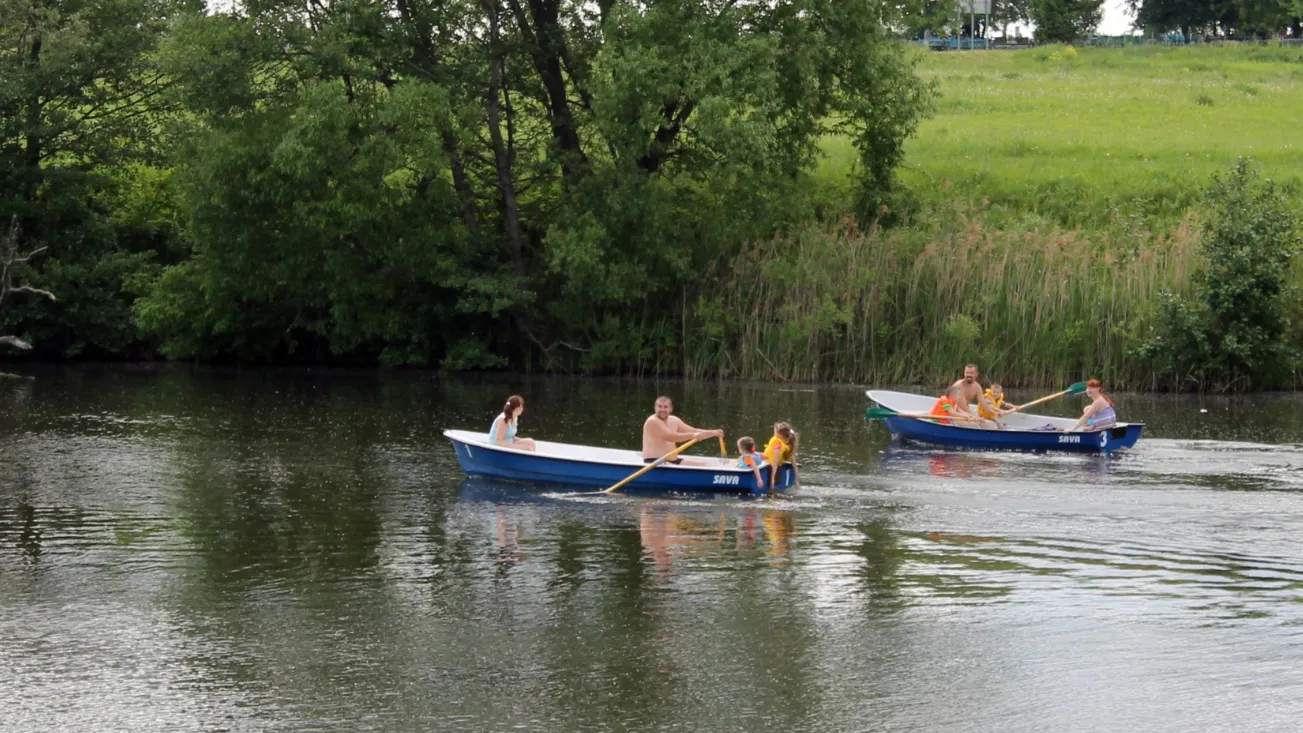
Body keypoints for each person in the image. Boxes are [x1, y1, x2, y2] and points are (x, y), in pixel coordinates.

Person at [641, 395, 723, 466]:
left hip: (673, 461)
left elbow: (694, 431)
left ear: (671, 409)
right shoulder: (653, 421)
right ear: (655, 408)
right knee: (671, 467)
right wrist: (692, 436)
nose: (662, 409)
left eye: (665, 407)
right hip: (654, 462)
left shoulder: (674, 420)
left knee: (705, 465)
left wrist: (714, 433)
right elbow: (671, 437)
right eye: (659, 406)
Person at [763, 422, 800, 490]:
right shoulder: (788, 447)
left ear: (779, 434)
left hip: (770, 467)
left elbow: (775, 463)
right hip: (766, 461)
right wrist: (797, 481)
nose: (774, 433)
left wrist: (772, 480)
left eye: (775, 431)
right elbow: (795, 466)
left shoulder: (777, 444)